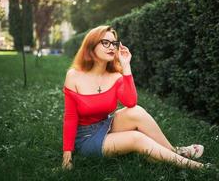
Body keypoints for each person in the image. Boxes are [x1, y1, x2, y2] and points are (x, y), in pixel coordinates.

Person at [62, 25, 205, 170]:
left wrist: (126, 66)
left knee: (136, 111)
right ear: (91, 46)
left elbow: (130, 102)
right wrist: (67, 158)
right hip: (86, 138)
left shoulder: (115, 76)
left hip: (105, 125)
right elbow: (70, 117)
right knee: (136, 138)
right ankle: (198, 168)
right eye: (105, 42)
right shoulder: (74, 76)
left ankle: (174, 151)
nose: (111, 47)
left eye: (114, 43)